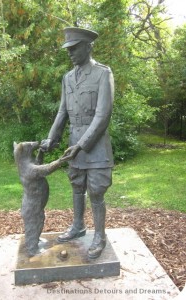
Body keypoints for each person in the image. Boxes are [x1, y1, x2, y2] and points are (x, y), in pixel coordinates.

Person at [41, 27, 114, 259]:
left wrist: (81, 145)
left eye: (74, 48)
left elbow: (103, 116)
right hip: (75, 145)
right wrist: (52, 138)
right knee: (76, 186)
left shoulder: (103, 74)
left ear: (88, 46)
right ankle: (78, 226)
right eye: (68, 49)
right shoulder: (67, 78)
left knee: (96, 191)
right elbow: (62, 111)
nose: (70, 53)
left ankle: (99, 235)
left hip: (95, 145)